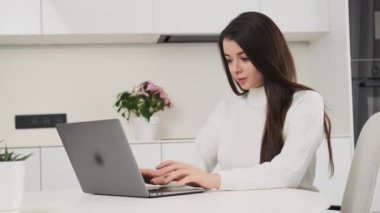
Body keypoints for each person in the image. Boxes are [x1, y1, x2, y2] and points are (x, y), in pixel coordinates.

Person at [141, 11, 334, 191]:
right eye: (229, 60)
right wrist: (166, 178)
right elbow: (199, 163)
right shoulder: (227, 107)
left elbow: (288, 172)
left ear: (268, 56)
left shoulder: (306, 102)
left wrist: (216, 179)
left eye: (244, 58)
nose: (235, 69)